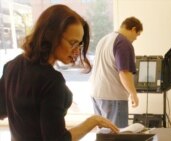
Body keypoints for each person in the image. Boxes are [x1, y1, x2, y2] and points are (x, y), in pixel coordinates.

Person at [0, 4, 119, 141]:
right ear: (51, 35)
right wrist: (92, 121)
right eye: (72, 42)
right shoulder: (52, 81)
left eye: (79, 44)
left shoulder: (11, 66)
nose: (76, 51)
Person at [89, 16, 143, 128]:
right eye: (137, 34)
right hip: (113, 97)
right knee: (117, 135)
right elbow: (124, 72)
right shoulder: (123, 42)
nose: (136, 38)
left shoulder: (104, 39)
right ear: (133, 29)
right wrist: (133, 94)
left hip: (96, 94)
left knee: (104, 134)